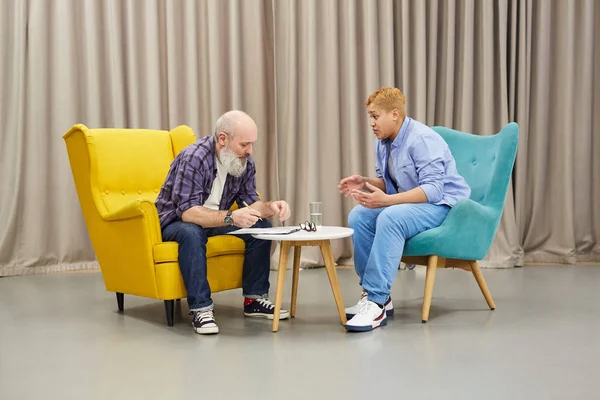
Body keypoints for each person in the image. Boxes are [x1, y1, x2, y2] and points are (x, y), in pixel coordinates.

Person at [338, 88, 471, 332]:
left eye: (375, 116)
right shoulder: (383, 142)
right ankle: (374, 295)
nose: (372, 123)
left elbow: (432, 191)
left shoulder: (421, 139)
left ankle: (376, 303)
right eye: (370, 117)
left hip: (443, 206)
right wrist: (365, 182)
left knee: (391, 216)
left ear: (395, 115)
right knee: (358, 216)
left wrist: (387, 201)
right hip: (412, 203)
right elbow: (392, 184)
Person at [155, 110, 291, 335]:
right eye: (245, 144)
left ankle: (254, 299)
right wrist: (231, 217)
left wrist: (270, 207)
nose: (250, 151)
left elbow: (251, 203)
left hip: (213, 222)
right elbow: (188, 212)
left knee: (260, 227)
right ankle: (201, 309)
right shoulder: (194, 158)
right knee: (191, 233)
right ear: (222, 139)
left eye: (252, 144)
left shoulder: (241, 162)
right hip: (176, 222)